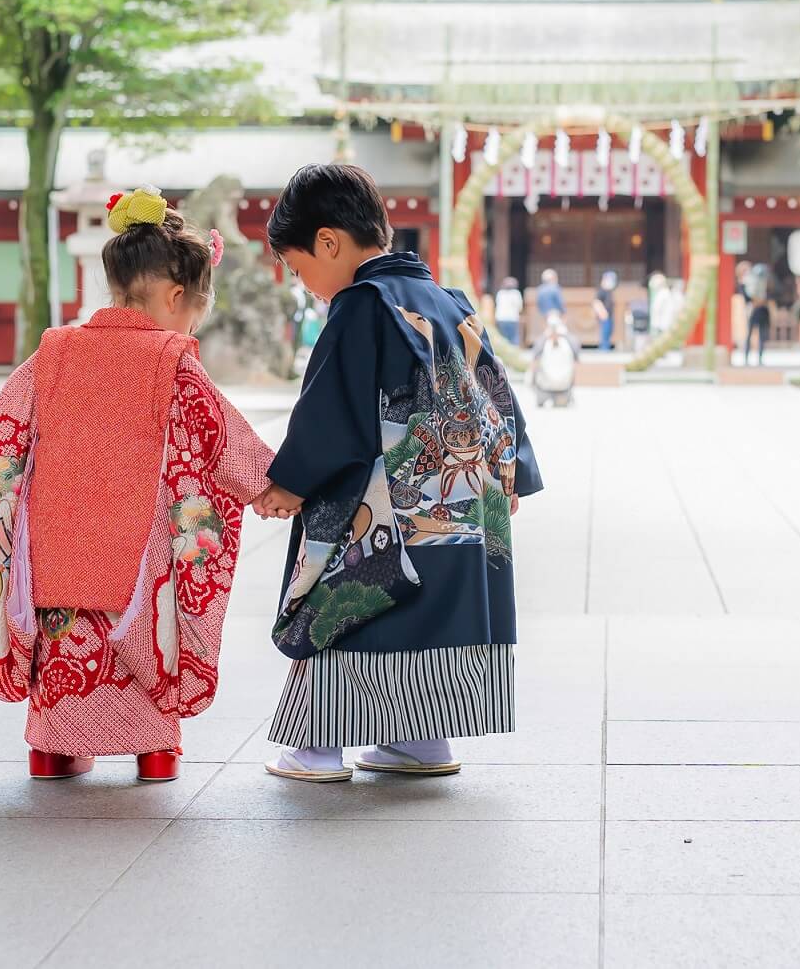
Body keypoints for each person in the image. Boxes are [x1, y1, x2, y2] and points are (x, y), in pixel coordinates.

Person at [0, 186, 277, 784]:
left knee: (63, 651)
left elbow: (2, 438)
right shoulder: (170, 358)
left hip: (58, 548)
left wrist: (4, 520)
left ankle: (53, 749)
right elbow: (215, 435)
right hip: (139, 555)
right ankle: (154, 751)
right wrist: (267, 486)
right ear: (174, 296)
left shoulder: (53, 353)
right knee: (148, 643)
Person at [253, 164, 544, 782]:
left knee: (343, 602)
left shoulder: (361, 304)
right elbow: (497, 395)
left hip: (393, 503)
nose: (310, 288)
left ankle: (315, 747)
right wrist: (510, 473)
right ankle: (421, 740)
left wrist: (290, 481)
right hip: (465, 502)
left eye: (302, 270)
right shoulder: (450, 302)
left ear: (329, 242)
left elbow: (332, 411)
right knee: (436, 615)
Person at [744, 260, 773, 366]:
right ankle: (746, 358)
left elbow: (769, 297)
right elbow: (748, 297)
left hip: (762, 311)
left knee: (761, 336)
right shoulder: (750, 283)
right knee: (750, 335)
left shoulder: (766, 284)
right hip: (754, 310)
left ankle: (759, 358)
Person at [494, 275, 525, 346]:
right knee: (513, 338)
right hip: (512, 318)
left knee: (503, 338)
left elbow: (497, 304)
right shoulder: (516, 294)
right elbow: (520, 307)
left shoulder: (500, 293)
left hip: (501, 318)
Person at [594, 269, 618, 351]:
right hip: (605, 315)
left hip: (609, 315)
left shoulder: (609, 291)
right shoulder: (601, 290)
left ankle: (606, 347)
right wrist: (602, 312)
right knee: (605, 332)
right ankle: (604, 348)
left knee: (609, 332)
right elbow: (596, 302)